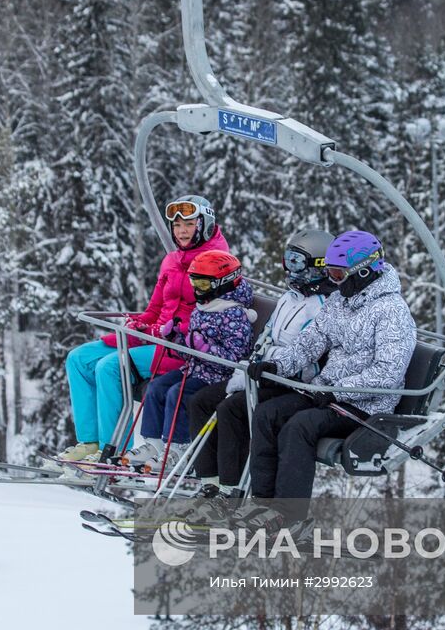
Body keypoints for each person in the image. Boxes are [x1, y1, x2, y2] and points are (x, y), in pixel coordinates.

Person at [243, 230, 416, 524]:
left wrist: (339, 391)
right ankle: (262, 505)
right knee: (267, 414)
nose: (333, 282)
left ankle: (289, 517)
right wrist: (276, 365)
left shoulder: (391, 311)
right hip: (327, 394)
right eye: (330, 274)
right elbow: (312, 341)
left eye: (337, 275)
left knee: (299, 426)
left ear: (362, 272)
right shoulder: (340, 302)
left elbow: (388, 371)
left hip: (367, 406)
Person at [58, 196, 231, 462]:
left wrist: (162, 332)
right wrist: (140, 325)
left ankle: (113, 449)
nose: (182, 231)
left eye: (188, 224)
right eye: (176, 225)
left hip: (182, 348)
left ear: (204, 224)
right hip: (155, 338)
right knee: (78, 358)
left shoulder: (217, 264)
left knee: (110, 367)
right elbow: (155, 308)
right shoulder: (172, 261)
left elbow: (213, 319)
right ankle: (89, 442)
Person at [186, 230, 335, 493]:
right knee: (202, 400)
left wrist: (266, 364)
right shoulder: (290, 298)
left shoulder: (324, 306)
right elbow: (267, 334)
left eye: (298, 262)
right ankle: (209, 482)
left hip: (289, 380)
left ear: (319, 266)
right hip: (262, 370)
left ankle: (231, 491)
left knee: (233, 408)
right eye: (287, 260)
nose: (291, 269)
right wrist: (251, 361)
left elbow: (306, 354)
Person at [123, 250, 256, 470]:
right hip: (194, 369)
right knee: (157, 386)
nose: (196, 290)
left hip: (217, 378)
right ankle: (154, 444)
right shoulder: (203, 307)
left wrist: (204, 347)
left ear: (222, 283)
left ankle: (179, 448)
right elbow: (192, 348)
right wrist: (178, 338)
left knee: (178, 394)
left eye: (202, 285)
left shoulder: (236, 315)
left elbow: (233, 358)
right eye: (194, 283)